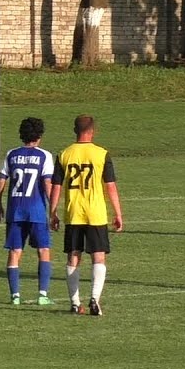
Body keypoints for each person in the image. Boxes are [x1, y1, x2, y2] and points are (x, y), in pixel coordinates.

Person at [48, 114, 123, 316]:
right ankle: (94, 300)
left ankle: (74, 303)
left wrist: (52, 212)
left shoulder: (64, 154)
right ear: (93, 131)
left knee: (74, 255)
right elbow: (111, 186)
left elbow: (56, 186)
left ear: (75, 131)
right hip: (96, 213)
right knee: (98, 256)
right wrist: (118, 213)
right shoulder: (101, 154)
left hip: (73, 213)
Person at [0, 117, 55, 306]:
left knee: (15, 251)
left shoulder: (11, 154)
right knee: (44, 250)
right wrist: (53, 210)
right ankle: (42, 294)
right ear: (39, 136)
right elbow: (47, 183)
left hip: (15, 210)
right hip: (36, 210)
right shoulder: (44, 156)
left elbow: (2, 178)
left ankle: (15, 296)